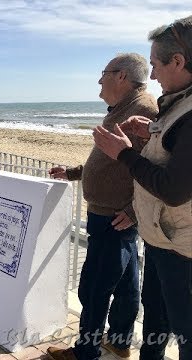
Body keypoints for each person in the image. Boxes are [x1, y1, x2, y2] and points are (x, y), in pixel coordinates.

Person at [92, 16, 192, 360]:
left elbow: (175, 189)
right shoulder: (178, 102)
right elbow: (175, 152)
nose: (152, 76)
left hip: (182, 247)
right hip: (165, 240)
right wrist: (152, 131)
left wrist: (122, 153)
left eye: (155, 65)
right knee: (157, 316)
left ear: (177, 61)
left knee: (185, 332)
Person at [47, 54, 158, 360]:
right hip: (110, 216)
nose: (99, 80)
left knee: (94, 288)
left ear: (121, 76)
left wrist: (134, 210)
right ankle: (120, 341)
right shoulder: (124, 108)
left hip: (116, 217)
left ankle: (86, 352)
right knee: (124, 285)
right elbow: (112, 160)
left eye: (104, 74)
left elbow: (155, 168)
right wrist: (72, 173)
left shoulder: (145, 109)